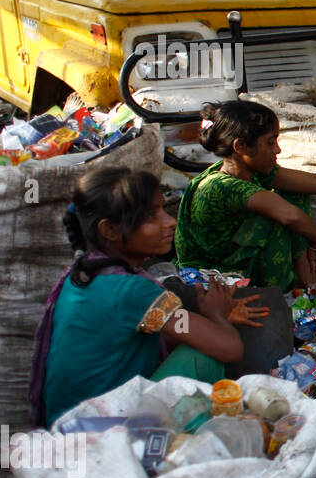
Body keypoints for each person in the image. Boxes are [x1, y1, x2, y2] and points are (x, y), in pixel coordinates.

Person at [29, 166, 259, 426]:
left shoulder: (82, 275)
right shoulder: (131, 290)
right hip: (100, 431)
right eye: (151, 216)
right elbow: (229, 349)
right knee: (203, 357)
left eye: (163, 209)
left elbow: (161, 330)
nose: (169, 221)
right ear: (110, 230)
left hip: (68, 424)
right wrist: (217, 315)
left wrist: (207, 320)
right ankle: (178, 444)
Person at [174, 96, 316, 291]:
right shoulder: (221, 186)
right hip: (217, 277)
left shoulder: (251, 173)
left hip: (243, 262)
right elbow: (291, 216)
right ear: (241, 147)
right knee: (278, 218)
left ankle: (305, 289)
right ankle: (286, 295)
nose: (277, 150)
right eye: (270, 142)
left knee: (295, 194)